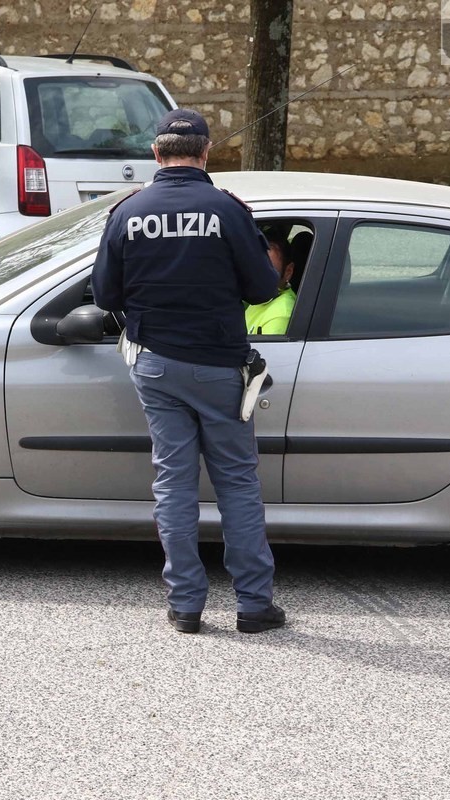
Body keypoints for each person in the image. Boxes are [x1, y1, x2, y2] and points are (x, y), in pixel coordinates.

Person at [91, 108, 287, 635]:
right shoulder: (227, 209)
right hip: (220, 367)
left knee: (173, 483)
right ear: (204, 154)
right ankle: (253, 605)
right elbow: (264, 289)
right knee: (237, 484)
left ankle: (185, 607)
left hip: (155, 366)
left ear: (156, 155)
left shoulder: (128, 212)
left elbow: (105, 294)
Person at [245, 233, 297, 336]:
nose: (258, 277)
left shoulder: (280, 314)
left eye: (268, 271)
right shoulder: (261, 298)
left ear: (288, 271)